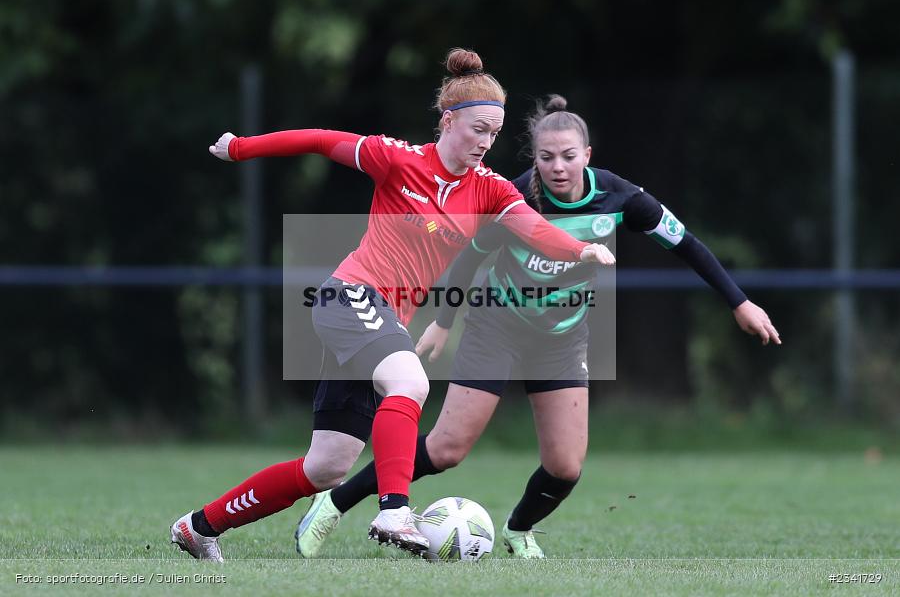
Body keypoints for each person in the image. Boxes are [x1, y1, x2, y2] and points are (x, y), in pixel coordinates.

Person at [294, 94, 781, 559]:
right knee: (445, 449)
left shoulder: (621, 198)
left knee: (565, 467)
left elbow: (687, 244)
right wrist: (443, 323)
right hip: (496, 328)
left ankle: (519, 529)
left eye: (569, 157)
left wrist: (739, 302)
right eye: (547, 157)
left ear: (587, 155)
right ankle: (334, 503)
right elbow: (468, 257)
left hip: (563, 338)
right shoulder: (514, 196)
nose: (557, 168)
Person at [170, 55, 615, 562]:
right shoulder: (398, 159)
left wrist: (579, 249)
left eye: (495, 131)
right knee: (411, 384)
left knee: (327, 467)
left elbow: (533, 228)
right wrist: (242, 148)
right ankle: (394, 511)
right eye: (478, 128)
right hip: (351, 296)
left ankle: (198, 527)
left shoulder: (489, 188)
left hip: (381, 321)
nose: (486, 141)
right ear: (449, 121)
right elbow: (320, 139)